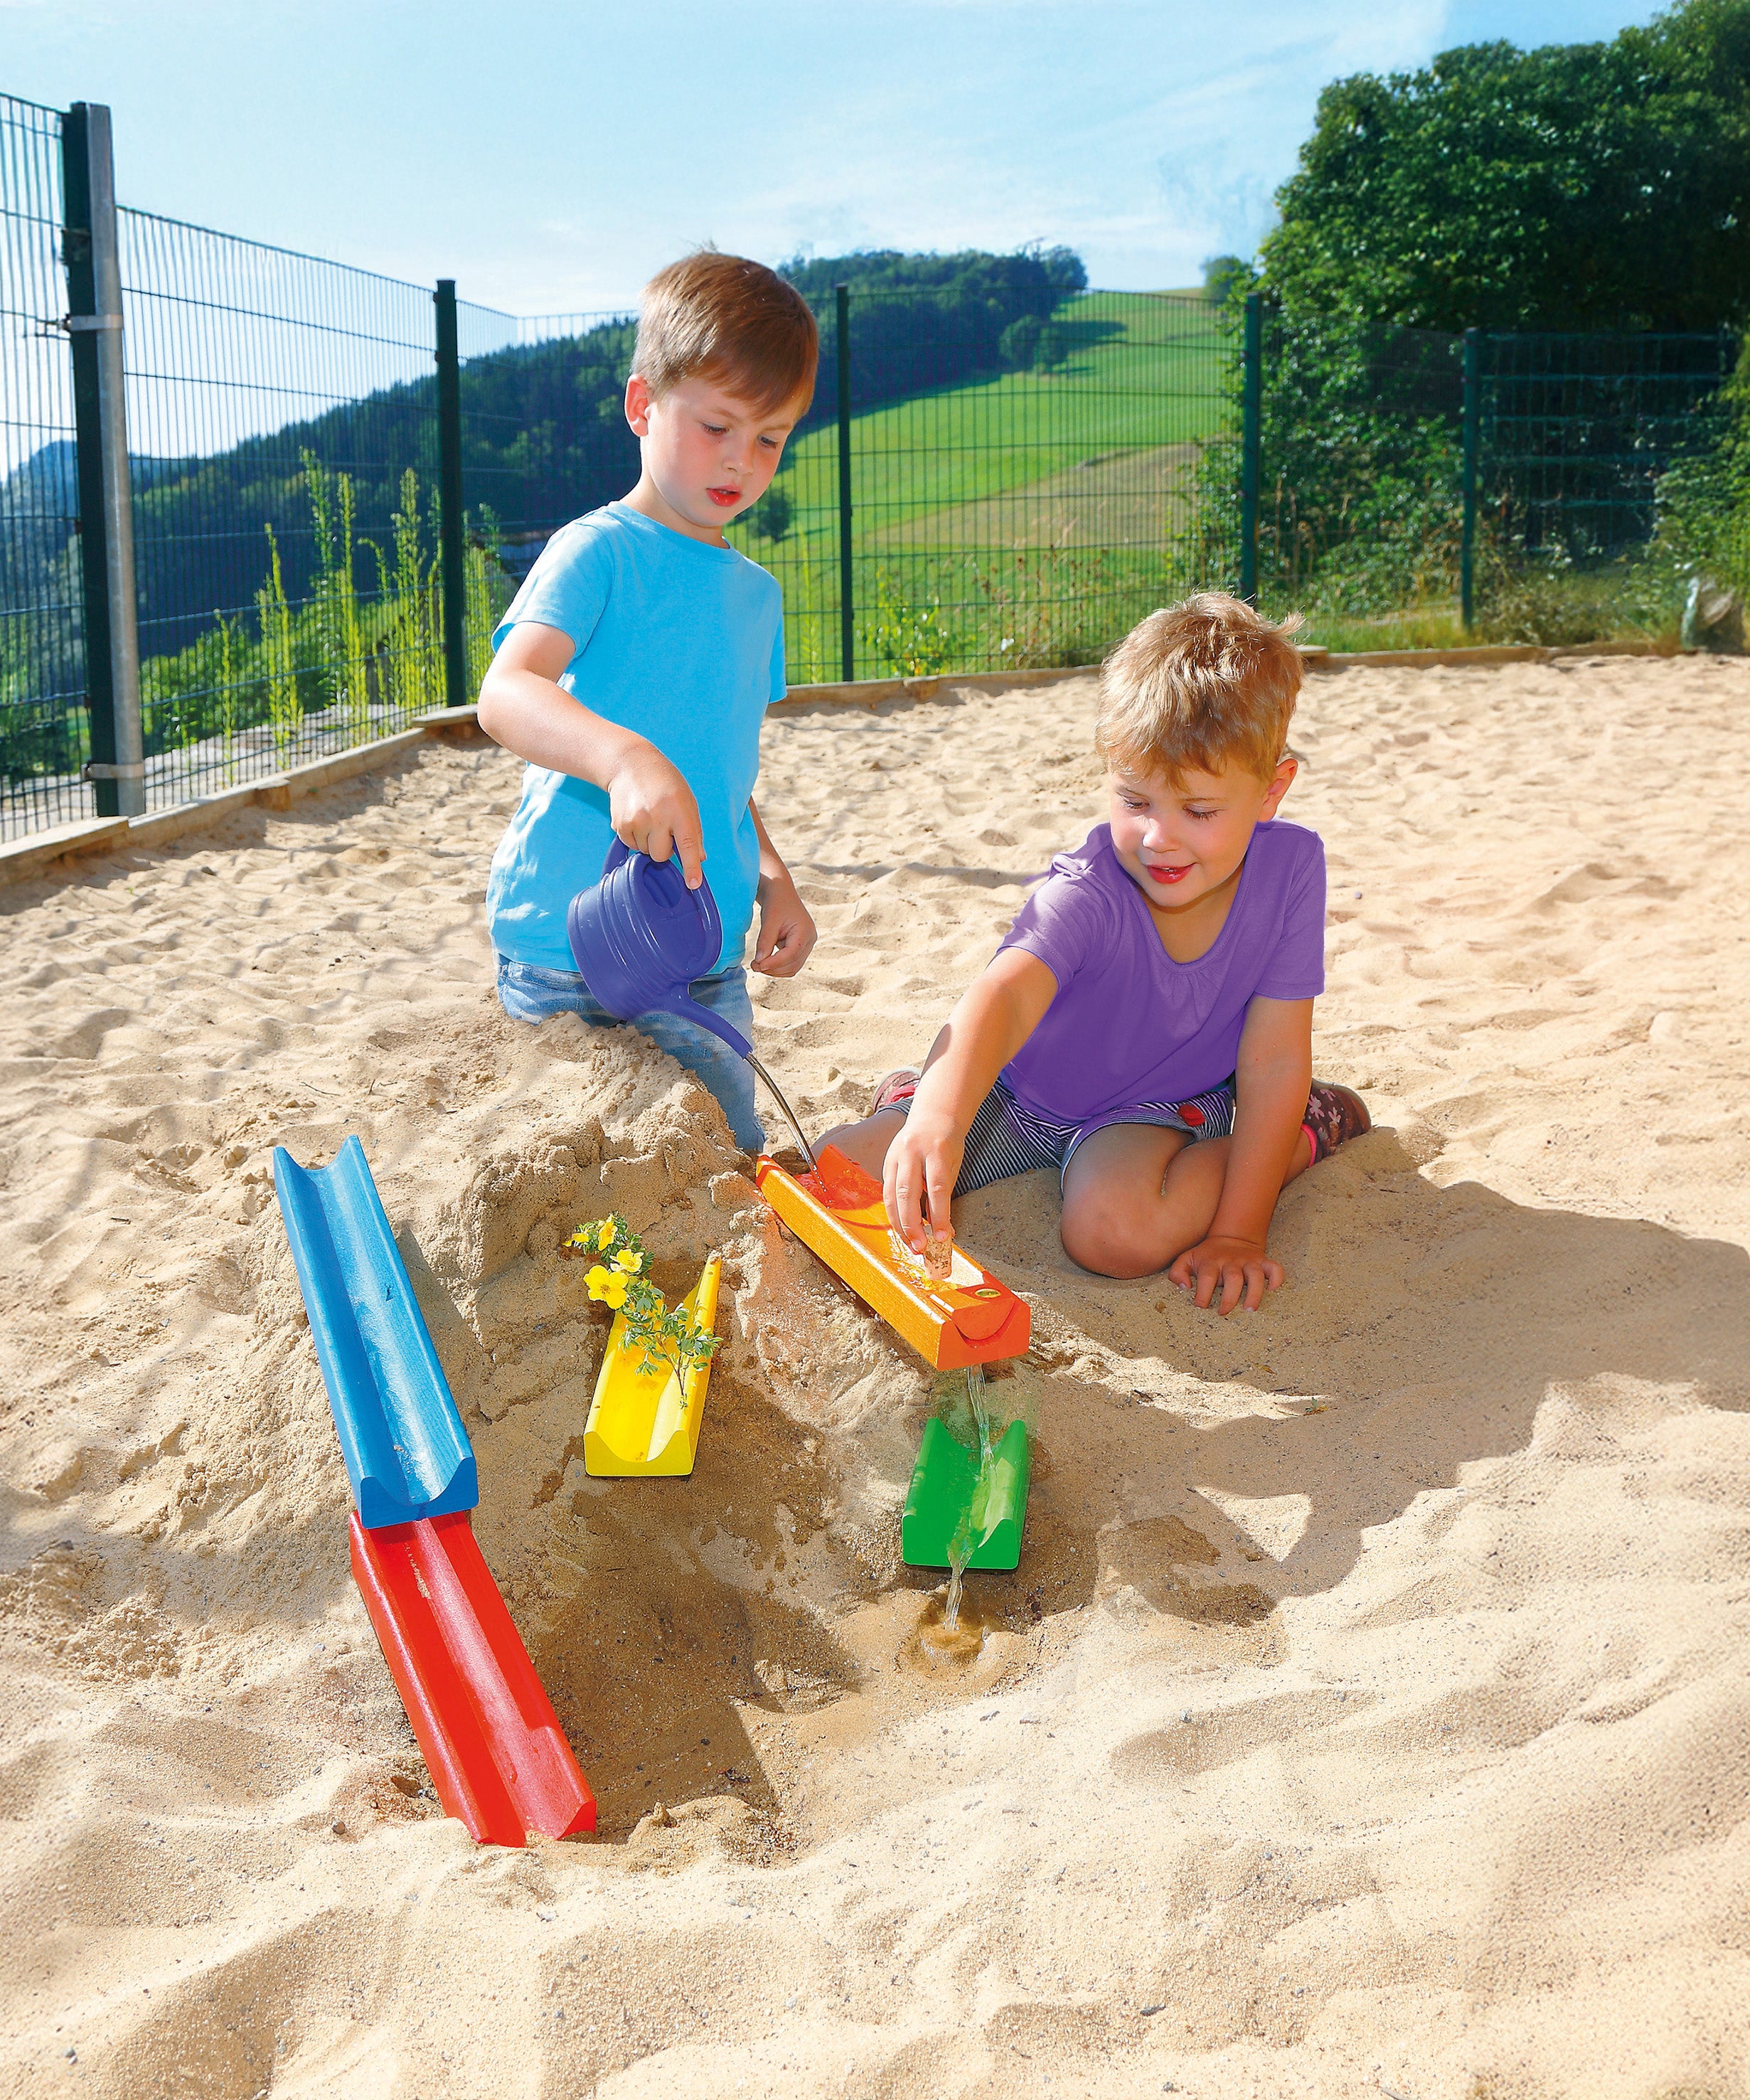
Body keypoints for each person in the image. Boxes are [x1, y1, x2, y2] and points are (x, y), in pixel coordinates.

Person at [821, 593, 1370, 1315]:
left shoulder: (1290, 871)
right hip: (1016, 1097)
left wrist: (1239, 1231)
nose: (1159, 838)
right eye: (1135, 801)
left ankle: (1311, 1126)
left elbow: (1270, 1058)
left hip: (1154, 1109)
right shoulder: (1091, 886)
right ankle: (920, 1096)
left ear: (1272, 789)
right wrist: (938, 1119)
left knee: (1111, 1235)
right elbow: (1004, 995)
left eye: (1199, 811)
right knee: (839, 1168)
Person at [476, 250, 819, 1151]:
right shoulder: (598, 553)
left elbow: (722, 767)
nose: (743, 461)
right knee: (575, 1185)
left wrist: (777, 881)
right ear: (642, 406)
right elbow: (506, 692)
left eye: (772, 438)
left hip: (703, 949)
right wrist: (623, 757)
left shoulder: (757, 597)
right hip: (568, 943)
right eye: (718, 426)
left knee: (724, 1161)